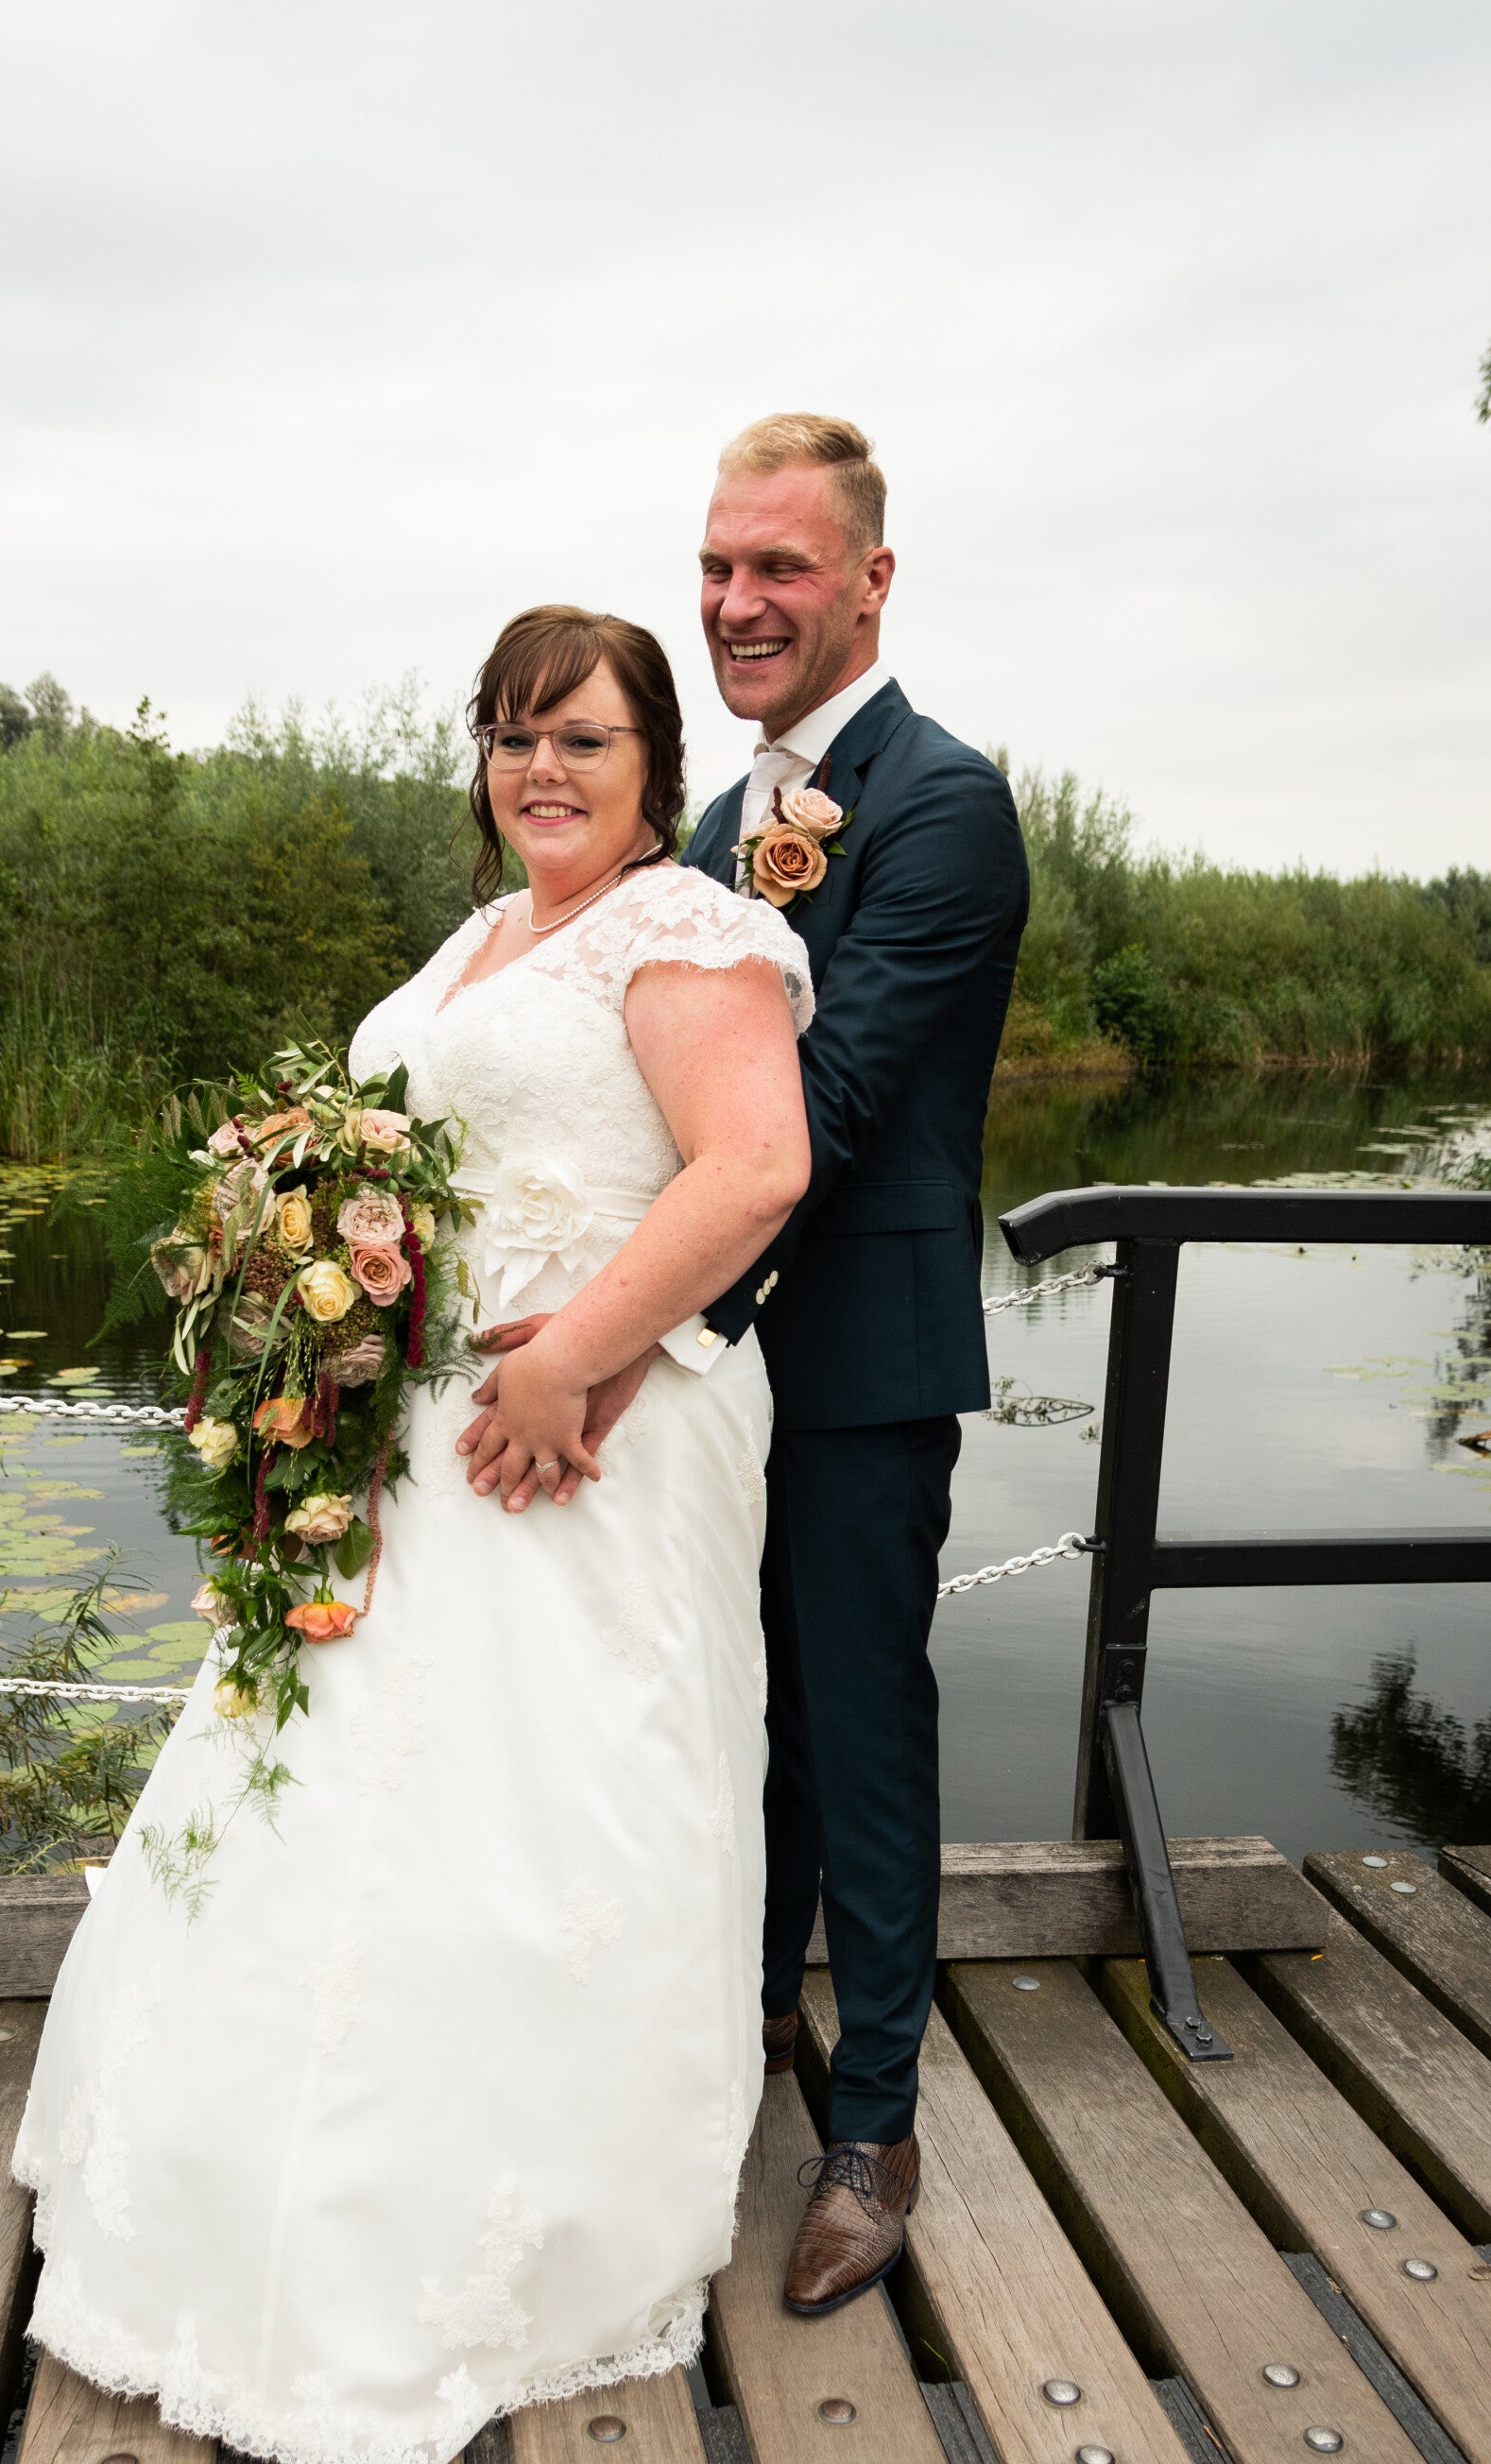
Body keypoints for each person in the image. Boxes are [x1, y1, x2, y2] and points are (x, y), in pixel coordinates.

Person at [11, 605, 812, 2464]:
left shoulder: (685, 931)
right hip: (425, 1427)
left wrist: (575, 1357)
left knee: (538, 1795)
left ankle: (500, 2223)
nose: (544, 768)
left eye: (586, 738)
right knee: (338, 1775)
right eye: (515, 735)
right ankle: (237, 2168)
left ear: (656, 767)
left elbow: (757, 1167)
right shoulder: (488, 936)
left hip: (590, 1432)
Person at [685, 413, 1027, 2313]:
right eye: (718, 566)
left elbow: (822, 1099)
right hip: (714, 1362)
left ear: (872, 579)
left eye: (780, 566)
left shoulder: (942, 803)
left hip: (858, 1359)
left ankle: (875, 2124)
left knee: (859, 1728)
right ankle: (741, 2016)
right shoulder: (722, 823)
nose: (738, 601)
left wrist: (615, 1294)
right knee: (739, 1713)